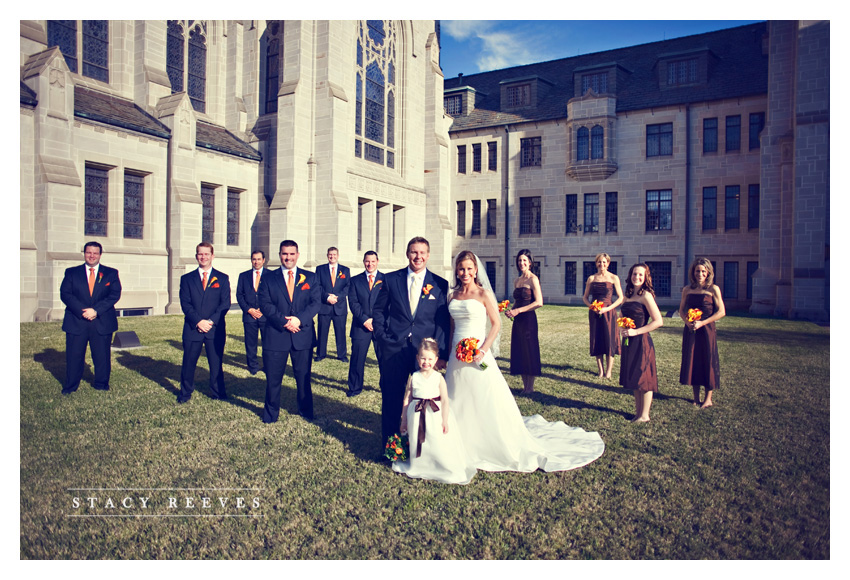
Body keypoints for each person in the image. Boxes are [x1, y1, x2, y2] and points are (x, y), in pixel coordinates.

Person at [446, 251, 605, 474]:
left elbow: (496, 325)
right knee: (457, 394)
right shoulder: (452, 296)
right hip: (456, 353)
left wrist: (482, 349)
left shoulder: (482, 294)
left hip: (478, 352)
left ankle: (487, 438)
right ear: (456, 270)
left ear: (475, 270)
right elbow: (453, 326)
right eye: (461, 269)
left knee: (483, 394)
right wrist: (450, 351)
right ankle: (459, 436)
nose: (465, 273)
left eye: (469, 268)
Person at [372, 237, 450, 452]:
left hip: (424, 353)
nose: (418, 257)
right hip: (394, 349)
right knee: (392, 400)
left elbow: (442, 322)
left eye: (422, 252)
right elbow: (378, 311)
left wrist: (439, 353)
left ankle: (421, 451)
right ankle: (391, 449)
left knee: (422, 401)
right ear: (407, 254)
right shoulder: (391, 280)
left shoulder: (439, 284)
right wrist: (382, 337)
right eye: (414, 252)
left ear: (428, 255)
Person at [392, 338, 476, 484]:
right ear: (417, 358)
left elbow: (444, 400)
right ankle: (420, 464)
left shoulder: (438, 377)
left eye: (430, 359)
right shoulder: (414, 377)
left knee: (435, 439)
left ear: (436, 360)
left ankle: (438, 463)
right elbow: (407, 399)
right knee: (418, 439)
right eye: (423, 358)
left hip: (434, 415)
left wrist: (444, 419)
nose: (426, 362)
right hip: (416, 415)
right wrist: (404, 419)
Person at [257, 240, 321, 422]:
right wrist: (284, 322)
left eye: (292, 254)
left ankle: (306, 411)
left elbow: (315, 303)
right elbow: (265, 304)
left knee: (303, 378)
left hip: (303, 336)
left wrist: (298, 319)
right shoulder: (268, 278)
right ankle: (270, 414)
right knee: (273, 379)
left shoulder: (310, 278)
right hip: (276, 336)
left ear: (298, 255)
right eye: (285, 254)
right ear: (280, 255)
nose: (288, 257)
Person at [59, 241, 122, 394]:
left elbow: (114, 295)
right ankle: (71, 386)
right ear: (84, 253)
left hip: (101, 321)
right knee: (74, 356)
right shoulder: (71, 273)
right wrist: (82, 311)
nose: (92, 256)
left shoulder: (111, 273)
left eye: (95, 253)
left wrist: (96, 311)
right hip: (77, 321)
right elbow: (66, 294)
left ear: (100, 255)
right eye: (89, 252)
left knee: (102, 356)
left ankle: (101, 385)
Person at [177, 242, 231, 403]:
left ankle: (218, 393)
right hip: (193, 328)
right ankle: (185, 393)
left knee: (215, 364)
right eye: (200, 254)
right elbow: (185, 303)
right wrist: (198, 321)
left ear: (212, 256)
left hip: (215, 329)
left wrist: (210, 322)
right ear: (196, 256)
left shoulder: (222, 278)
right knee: (188, 363)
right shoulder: (187, 279)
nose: (203, 257)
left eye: (207, 254)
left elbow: (225, 304)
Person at [618, 263, 663, 423]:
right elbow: (622, 314)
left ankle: (645, 415)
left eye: (640, 275)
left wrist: (635, 332)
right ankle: (637, 413)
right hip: (629, 341)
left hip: (642, 341)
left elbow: (658, 321)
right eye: (634, 274)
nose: (637, 277)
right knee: (635, 377)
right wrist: (622, 326)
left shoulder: (646, 296)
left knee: (644, 378)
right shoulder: (628, 295)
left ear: (645, 278)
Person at [678, 258, 725, 409]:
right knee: (693, 360)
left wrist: (702, 323)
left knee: (707, 360)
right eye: (697, 271)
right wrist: (688, 323)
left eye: (703, 271)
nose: (700, 274)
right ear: (693, 272)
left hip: (706, 330)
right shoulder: (687, 289)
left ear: (708, 273)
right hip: (691, 330)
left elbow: (721, 312)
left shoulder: (713, 289)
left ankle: (708, 398)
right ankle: (696, 397)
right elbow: (681, 310)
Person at [346, 251, 384, 398]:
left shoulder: (385, 280)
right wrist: (364, 319)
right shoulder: (355, 281)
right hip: (360, 326)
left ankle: (386, 386)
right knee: (357, 358)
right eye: (367, 261)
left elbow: (387, 303)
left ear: (377, 261)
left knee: (384, 359)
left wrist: (376, 320)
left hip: (380, 326)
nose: (370, 264)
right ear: (363, 262)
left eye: (373, 261)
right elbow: (353, 303)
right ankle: (355, 387)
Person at [506, 249, 543, 394]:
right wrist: (511, 310)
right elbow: (517, 301)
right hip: (518, 321)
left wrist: (519, 311)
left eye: (524, 261)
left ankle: (530, 387)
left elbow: (539, 302)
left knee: (529, 350)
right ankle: (524, 385)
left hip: (528, 320)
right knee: (520, 350)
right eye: (519, 261)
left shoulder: (533, 279)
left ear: (530, 263)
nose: (521, 263)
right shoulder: (517, 280)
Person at [582, 253, 624, 379]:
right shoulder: (591, 279)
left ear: (608, 263)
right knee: (597, 340)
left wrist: (608, 308)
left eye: (604, 262)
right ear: (596, 263)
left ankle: (609, 371)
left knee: (609, 340)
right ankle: (600, 371)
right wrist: (591, 307)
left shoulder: (613, 278)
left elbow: (621, 298)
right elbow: (585, 297)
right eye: (599, 262)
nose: (602, 264)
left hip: (609, 313)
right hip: (594, 314)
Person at [315, 247, 350, 362]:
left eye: (334, 254)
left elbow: (347, 287)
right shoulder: (320, 269)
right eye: (330, 254)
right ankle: (320, 354)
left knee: (340, 332)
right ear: (327, 255)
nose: (332, 256)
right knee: (322, 331)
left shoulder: (345, 270)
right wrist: (327, 297)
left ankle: (342, 355)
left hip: (339, 307)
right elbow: (317, 286)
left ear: (338, 256)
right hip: (324, 306)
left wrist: (337, 297)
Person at [236, 250, 268, 375]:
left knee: (267, 342)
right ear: (251, 260)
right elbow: (239, 295)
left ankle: (267, 365)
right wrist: (249, 309)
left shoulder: (271, 275)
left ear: (263, 260)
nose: (256, 262)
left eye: (259, 259)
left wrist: (264, 309)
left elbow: (274, 295)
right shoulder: (243, 276)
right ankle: (253, 366)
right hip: (249, 316)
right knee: (250, 343)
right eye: (254, 259)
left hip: (265, 316)